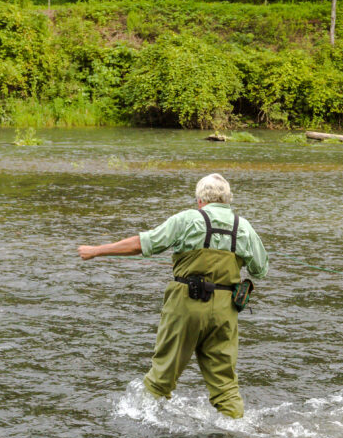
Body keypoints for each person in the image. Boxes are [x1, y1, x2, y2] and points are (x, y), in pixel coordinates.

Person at [78, 174, 268, 418]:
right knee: (226, 385)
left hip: (186, 304)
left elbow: (143, 244)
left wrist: (96, 251)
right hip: (225, 310)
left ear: (200, 200)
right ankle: (238, 431)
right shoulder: (244, 226)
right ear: (228, 199)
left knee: (161, 377)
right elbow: (260, 270)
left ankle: (140, 425)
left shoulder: (187, 219)